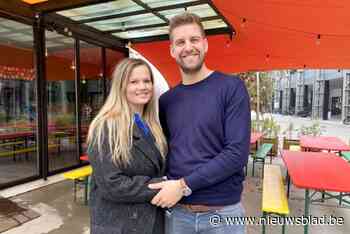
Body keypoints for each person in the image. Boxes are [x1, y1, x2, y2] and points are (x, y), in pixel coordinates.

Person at [148, 13, 251, 234]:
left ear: (205, 44)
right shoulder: (167, 101)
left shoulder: (231, 88)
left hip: (222, 215)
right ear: (172, 50)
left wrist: (183, 185)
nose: (188, 47)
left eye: (194, 40)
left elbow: (237, 153)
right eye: (180, 42)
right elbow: (168, 152)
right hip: (177, 214)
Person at [86, 58, 168, 234]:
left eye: (147, 81)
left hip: (151, 222)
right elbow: (112, 184)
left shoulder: (150, 125)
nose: (143, 86)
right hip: (121, 225)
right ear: (121, 87)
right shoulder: (106, 126)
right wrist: (163, 185)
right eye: (134, 82)